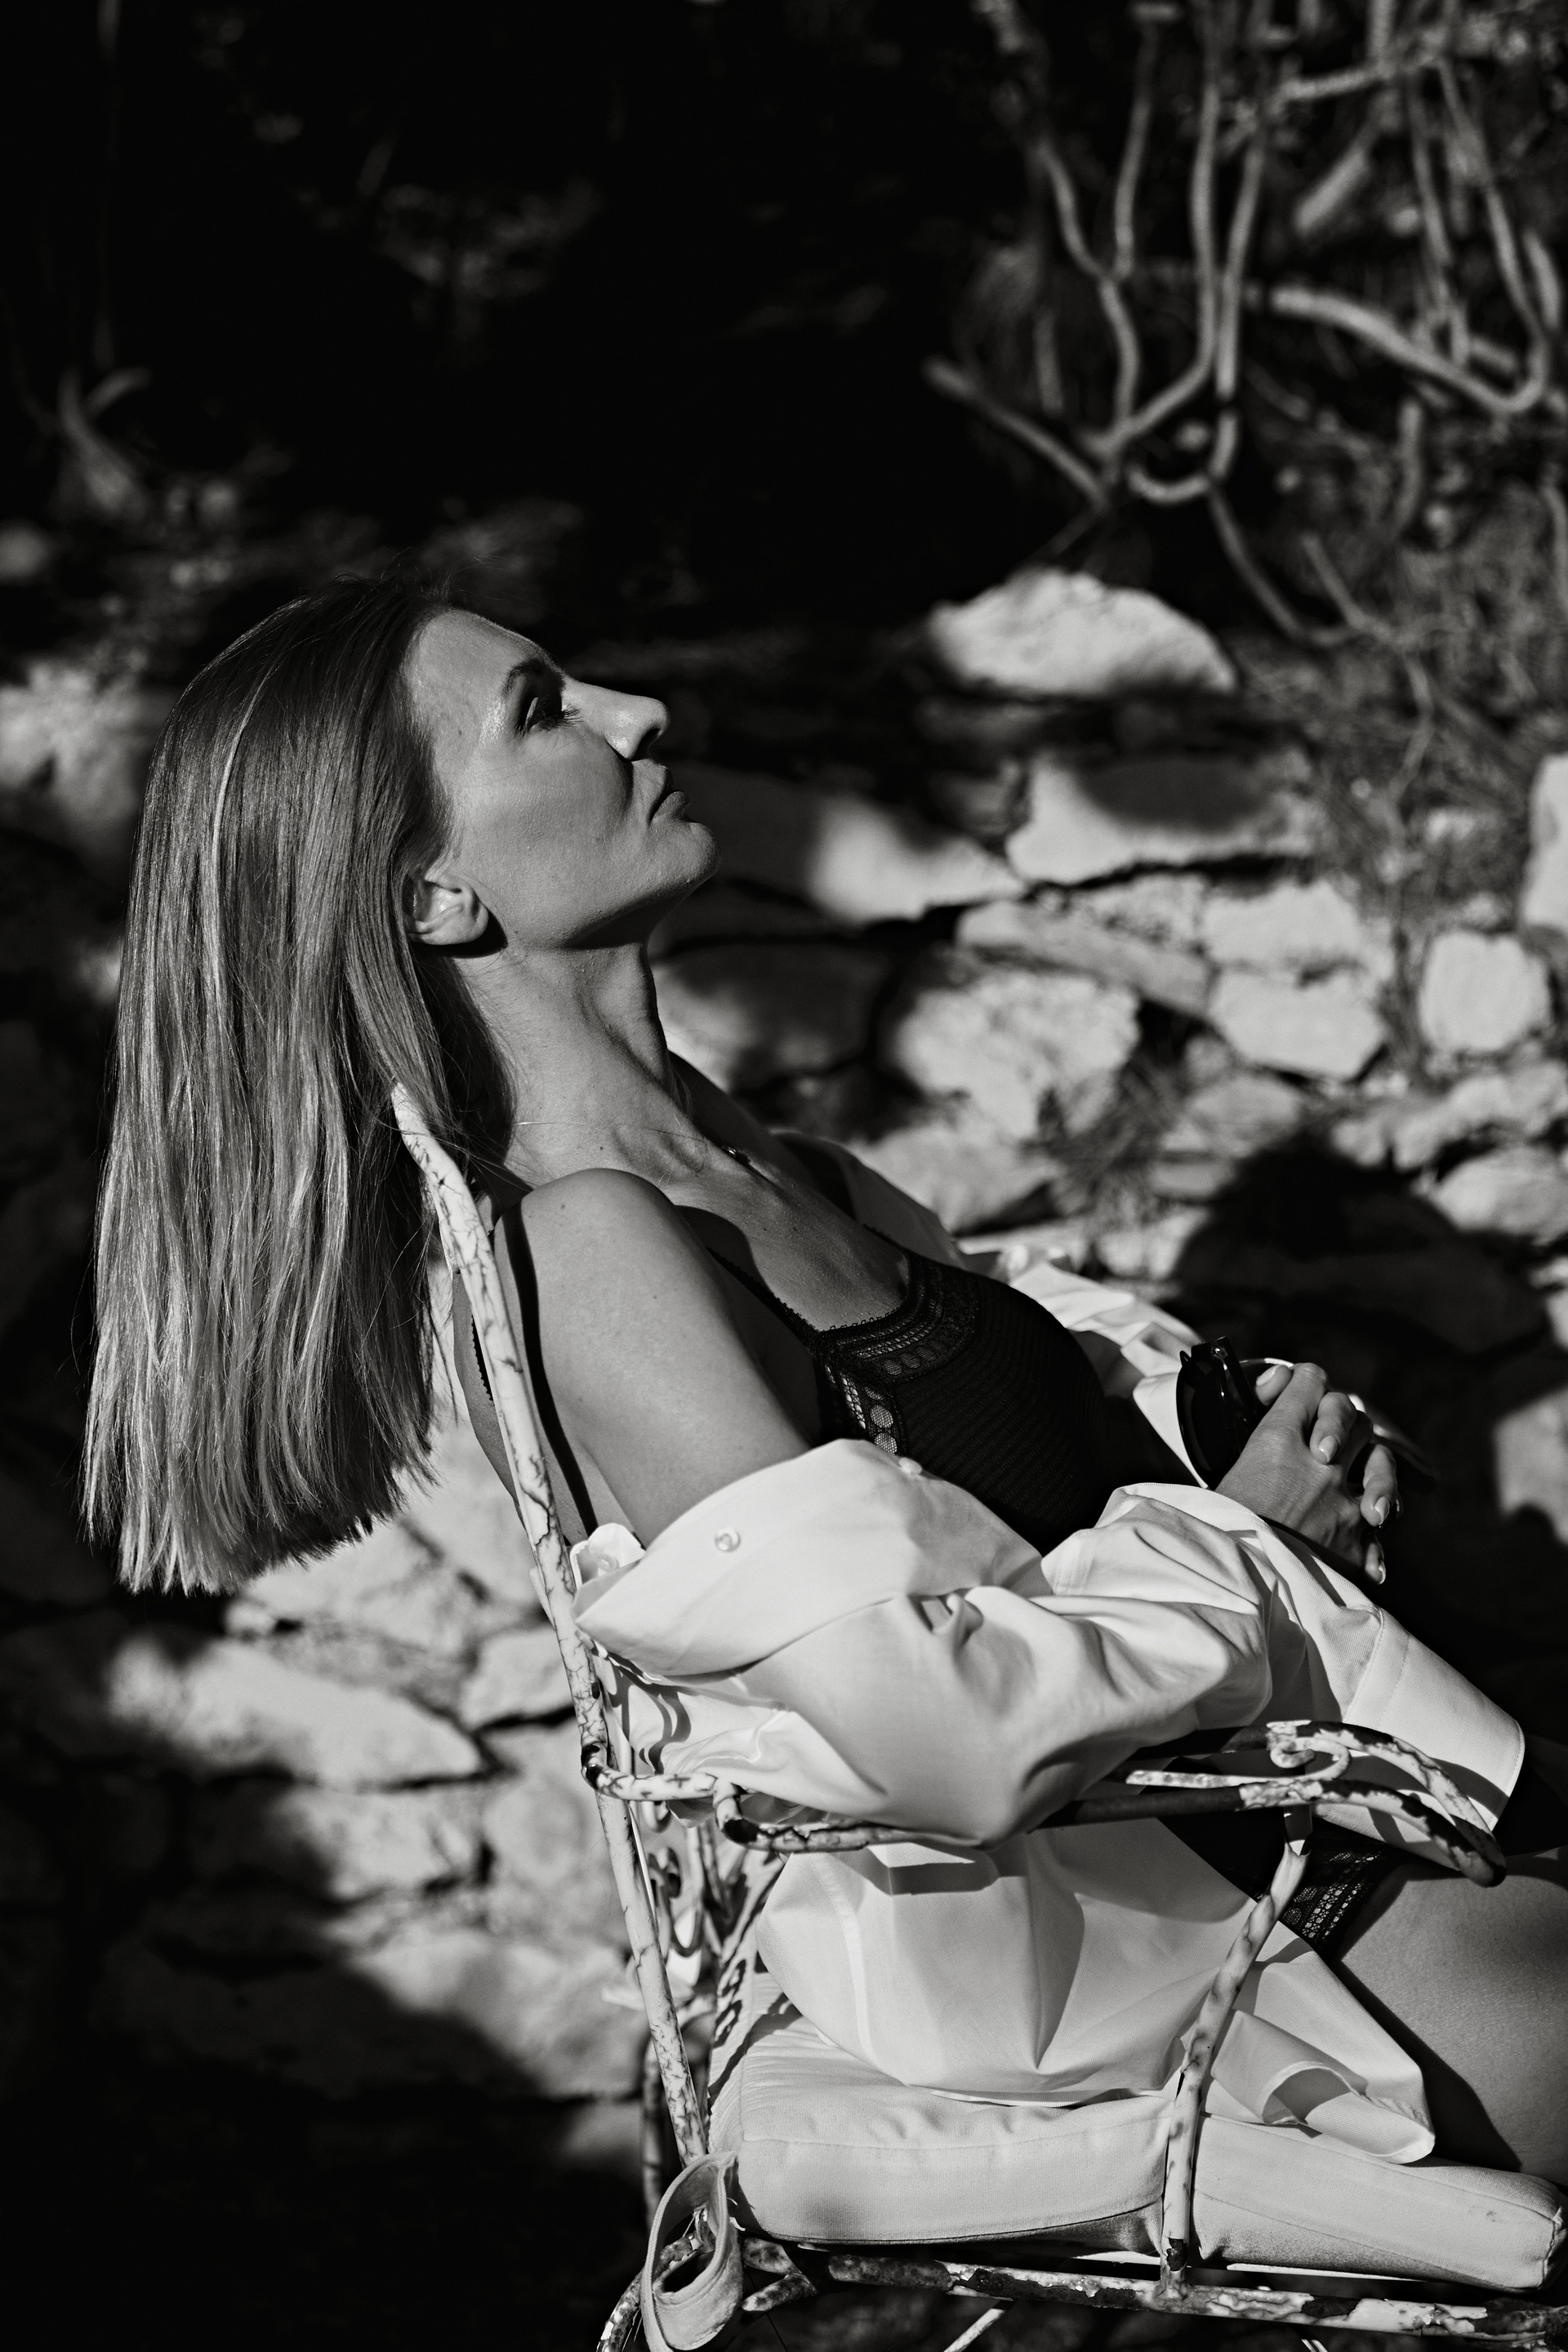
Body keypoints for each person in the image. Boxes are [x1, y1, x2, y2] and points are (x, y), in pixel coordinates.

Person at [86, 572, 1566, 2182]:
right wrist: (1259, 1550)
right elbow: (947, 1740)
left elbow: (1042, 1483)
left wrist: (1243, 1443)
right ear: (434, 895)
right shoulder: (590, 1254)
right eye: (542, 711)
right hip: (1208, 1946)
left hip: (1314, 1814)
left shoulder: (775, 1171)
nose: (637, 714)